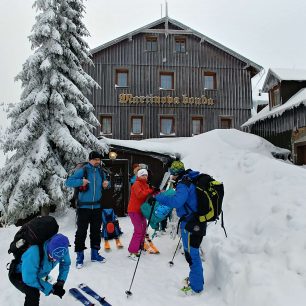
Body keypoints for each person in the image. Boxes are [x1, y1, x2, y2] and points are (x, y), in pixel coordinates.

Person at [152, 160, 206, 295]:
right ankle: (196, 280)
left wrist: (159, 198)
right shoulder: (190, 180)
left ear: (175, 173)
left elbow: (177, 202)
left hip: (191, 223)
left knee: (191, 254)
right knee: (192, 253)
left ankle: (195, 287)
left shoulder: (183, 184)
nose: (171, 175)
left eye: (171, 172)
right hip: (195, 222)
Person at [65, 151, 110, 268]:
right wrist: (81, 181)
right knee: (81, 232)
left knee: (96, 232)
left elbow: (106, 184)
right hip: (83, 207)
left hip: (97, 207)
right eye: (95, 159)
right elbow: (68, 182)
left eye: (99, 159)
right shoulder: (83, 170)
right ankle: (80, 257)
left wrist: (107, 184)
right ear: (90, 160)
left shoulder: (101, 171)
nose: (97, 161)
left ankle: (95, 255)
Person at [9, 233, 71, 306]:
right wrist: (52, 289)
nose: (54, 260)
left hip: (37, 272)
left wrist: (60, 282)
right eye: (51, 256)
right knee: (33, 293)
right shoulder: (34, 252)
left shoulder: (62, 249)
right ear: (48, 248)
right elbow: (29, 279)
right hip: (19, 274)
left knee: (38, 282)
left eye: (57, 259)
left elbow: (65, 264)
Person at [127, 168, 154, 260]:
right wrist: (151, 191)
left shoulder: (146, 185)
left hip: (142, 210)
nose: (145, 177)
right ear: (138, 176)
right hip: (134, 210)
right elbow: (140, 195)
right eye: (143, 175)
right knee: (138, 230)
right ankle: (132, 251)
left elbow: (148, 194)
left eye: (146, 175)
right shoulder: (136, 184)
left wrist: (155, 191)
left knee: (143, 228)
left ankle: (140, 245)